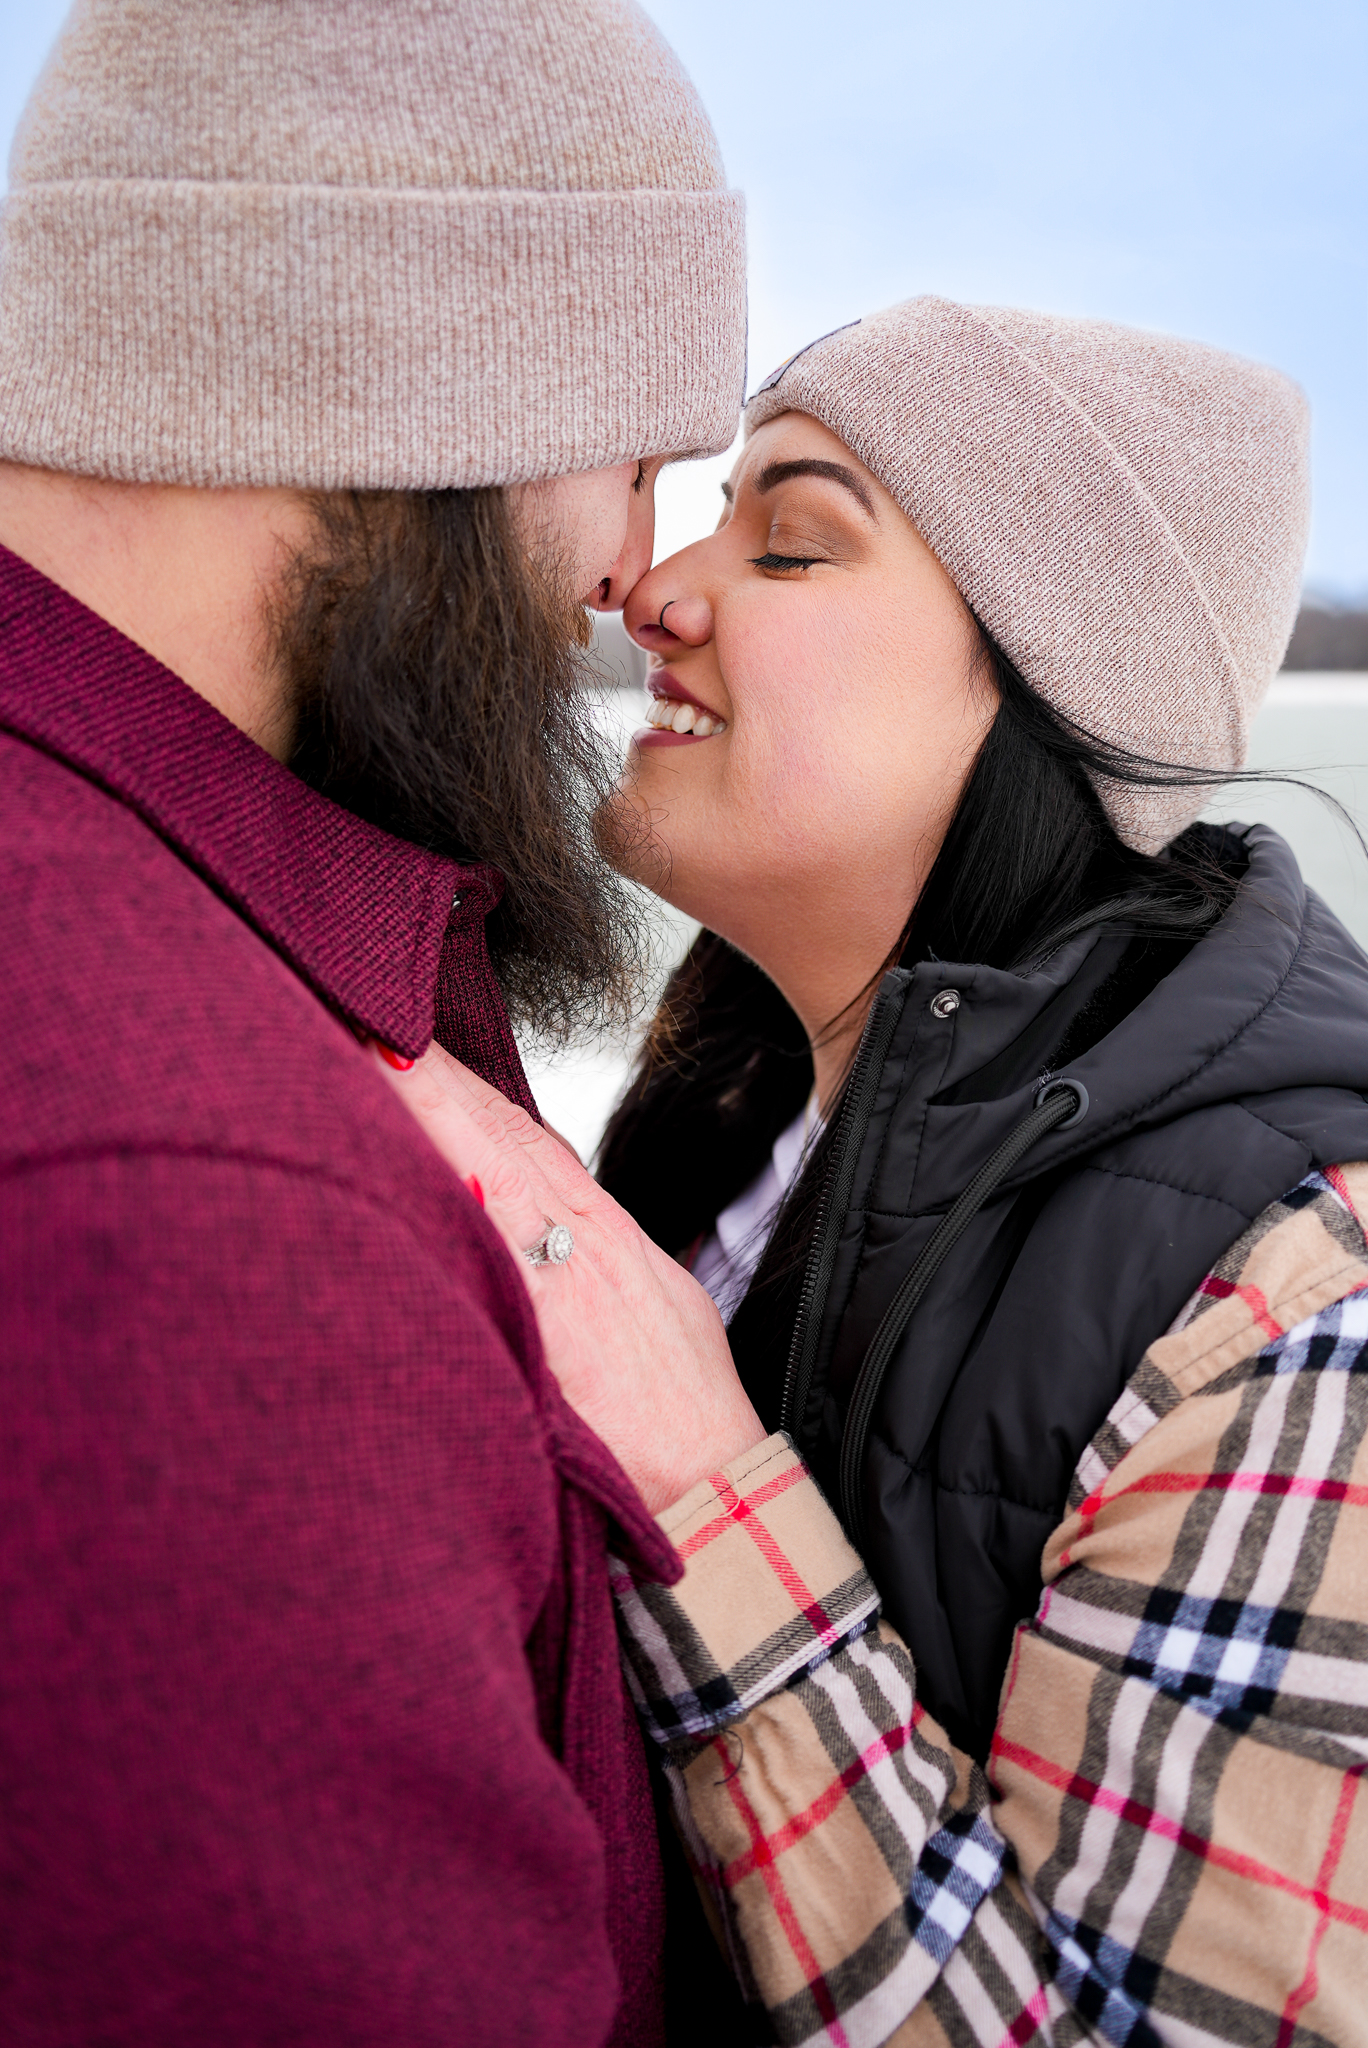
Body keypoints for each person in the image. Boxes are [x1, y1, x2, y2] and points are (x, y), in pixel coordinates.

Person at [390, 301, 1368, 2044]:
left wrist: (696, 1472)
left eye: (790, 540)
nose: (660, 585)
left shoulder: (1310, 1303)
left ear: (1051, 686)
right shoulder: (742, 1103)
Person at [0, 1, 749, 2040]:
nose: (633, 568)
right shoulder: (195, 1206)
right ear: (409, 383)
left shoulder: (183, 949)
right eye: (636, 447)